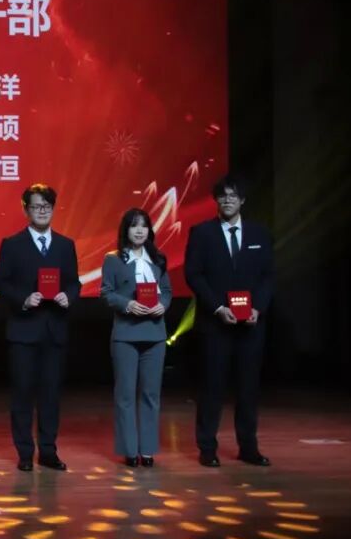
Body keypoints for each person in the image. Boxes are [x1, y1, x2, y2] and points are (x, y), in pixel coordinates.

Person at [185, 175, 274, 467]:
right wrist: (217, 308)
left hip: (251, 325)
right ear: (216, 200)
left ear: (242, 200)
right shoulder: (202, 233)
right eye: (222, 196)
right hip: (215, 324)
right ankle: (207, 448)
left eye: (233, 196)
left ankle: (248, 447)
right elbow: (193, 275)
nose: (227, 200)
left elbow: (268, 276)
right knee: (212, 388)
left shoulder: (260, 233)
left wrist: (258, 308)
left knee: (248, 389)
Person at [0, 183, 80, 472]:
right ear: (26, 210)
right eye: (36, 207)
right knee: (22, 394)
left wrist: (68, 295)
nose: (42, 211)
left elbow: (74, 282)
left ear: (53, 209)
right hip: (23, 330)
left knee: (51, 395)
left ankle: (48, 450)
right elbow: (1, 283)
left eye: (46, 206)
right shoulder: (12, 244)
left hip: (54, 330)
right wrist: (24, 298)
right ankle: (24, 452)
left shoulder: (65, 245)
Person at [100, 208, 172, 468]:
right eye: (134, 226)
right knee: (126, 395)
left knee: (151, 394)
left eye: (144, 226)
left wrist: (163, 304)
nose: (139, 230)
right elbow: (106, 292)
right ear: (126, 230)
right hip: (126, 334)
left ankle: (148, 450)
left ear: (149, 230)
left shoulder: (158, 259)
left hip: (155, 334)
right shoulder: (113, 259)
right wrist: (127, 304)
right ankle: (130, 451)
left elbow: (167, 290)